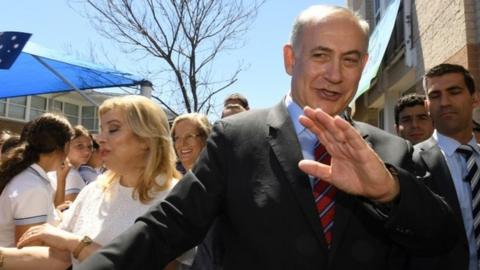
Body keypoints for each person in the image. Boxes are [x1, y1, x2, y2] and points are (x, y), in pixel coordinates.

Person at [77, 5, 458, 270]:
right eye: (321, 55)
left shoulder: (391, 150)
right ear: (291, 59)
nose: (336, 74)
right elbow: (167, 225)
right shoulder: (237, 138)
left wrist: (389, 191)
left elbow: (441, 238)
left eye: (351, 59)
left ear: (364, 65)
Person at [0, 95, 194, 270]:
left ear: (146, 139)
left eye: (113, 129)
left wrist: (76, 243)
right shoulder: (94, 190)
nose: (99, 138)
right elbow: (60, 258)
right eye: (101, 129)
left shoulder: (173, 200)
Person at [412, 63, 479, 270]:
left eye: (455, 92)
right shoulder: (410, 162)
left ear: (474, 98)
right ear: (427, 106)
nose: (445, 102)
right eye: (435, 96)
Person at [0, 113, 72, 247]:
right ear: (66, 145)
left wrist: (56, 215)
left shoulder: (28, 177)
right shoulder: (33, 187)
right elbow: (28, 251)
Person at [48, 125, 92, 206]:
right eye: (79, 146)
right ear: (66, 146)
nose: (87, 151)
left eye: (89, 147)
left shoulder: (56, 170)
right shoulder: (71, 175)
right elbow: (64, 212)